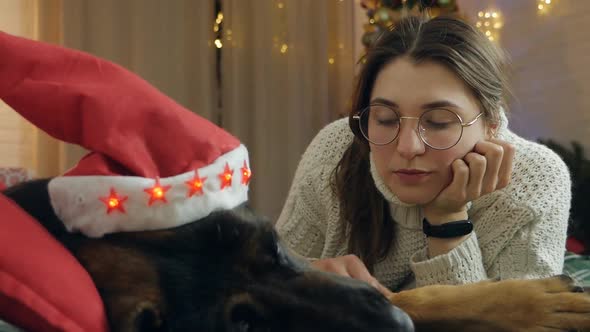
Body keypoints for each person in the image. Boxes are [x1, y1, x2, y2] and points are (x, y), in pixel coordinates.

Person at [275, 14, 571, 293]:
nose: (407, 147)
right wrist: (306, 281)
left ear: (491, 124)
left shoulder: (535, 180)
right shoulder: (337, 149)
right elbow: (259, 282)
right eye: (385, 119)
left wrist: (448, 220)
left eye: (438, 121)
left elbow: (515, 323)